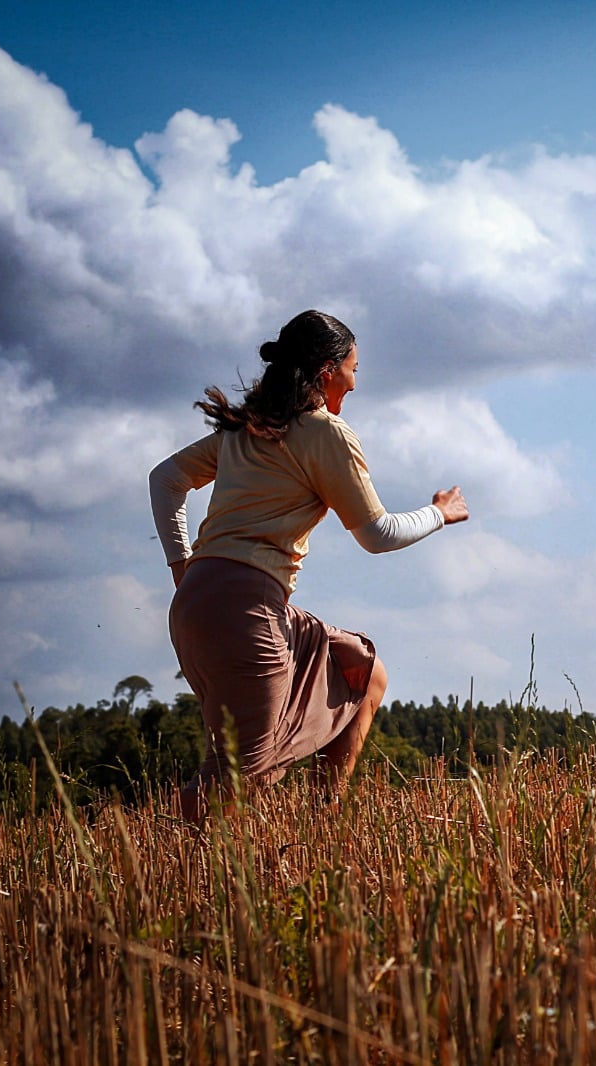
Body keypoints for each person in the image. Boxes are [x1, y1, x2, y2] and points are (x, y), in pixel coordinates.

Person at [150, 310, 469, 820]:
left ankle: (325, 818)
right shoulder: (326, 434)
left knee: (363, 671)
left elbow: (165, 478)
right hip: (247, 610)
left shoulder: (246, 430)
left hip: (200, 604)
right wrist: (440, 512)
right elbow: (377, 534)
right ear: (327, 370)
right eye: (354, 369)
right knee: (233, 781)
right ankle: (181, 873)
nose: (355, 383)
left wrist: (182, 566)